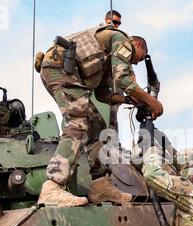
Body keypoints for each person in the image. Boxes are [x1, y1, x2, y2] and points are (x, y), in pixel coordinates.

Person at [36, 24, 164, 207]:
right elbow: (123, 79)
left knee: (98, 129)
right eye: (139, 58)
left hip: (67, 72)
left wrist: (129, 100)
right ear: (137, 44)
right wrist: (153, 102)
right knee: (78, 121)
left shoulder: (108, 56)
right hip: (59, 69)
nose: (135, 63)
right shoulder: (122, 40)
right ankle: (52, 187)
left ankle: (100, 186)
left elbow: (102, 94)